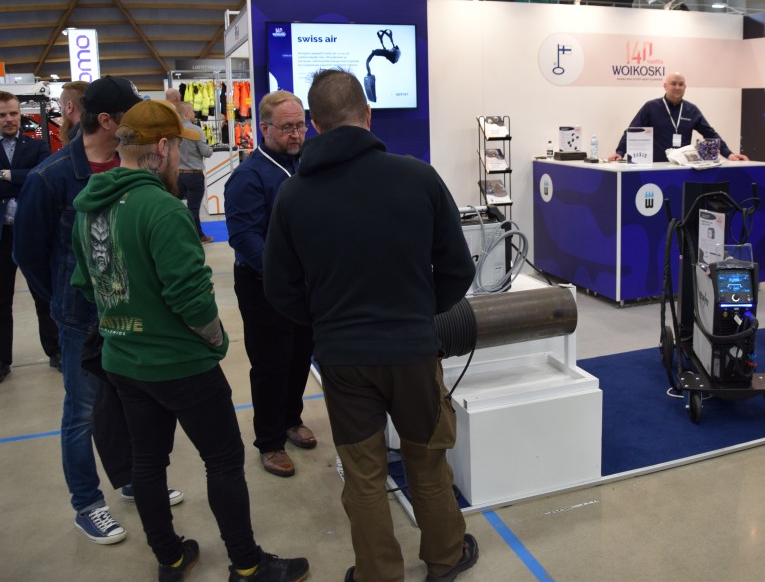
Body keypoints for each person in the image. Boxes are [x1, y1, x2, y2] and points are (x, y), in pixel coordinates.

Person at [70, 98, 309, 582]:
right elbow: (191, 297)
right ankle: (247, 564)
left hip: (123, 358)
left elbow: (86, 283)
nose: (180, 158)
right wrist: (215, 341)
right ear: (162, 147)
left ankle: (171, 558)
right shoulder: (162, 209)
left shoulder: (90, 207)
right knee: (223, 460)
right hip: (180, 363)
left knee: (147, 461)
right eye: (179, 148)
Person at [263, 69, 479, 582]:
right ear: (368, 114)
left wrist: (325, 321)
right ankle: (445, 558)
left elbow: (279, 289)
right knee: (427, 460)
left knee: (363, 474)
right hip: (412, 352)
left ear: (314, 125)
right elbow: (458, 268)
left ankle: (378, 574)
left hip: (343, 358)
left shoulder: (294, 195)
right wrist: (419, 311)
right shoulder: (418, 177)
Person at [13, 76, 182, 545]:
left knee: (133, 403)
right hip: (81, 319)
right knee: (82, 412)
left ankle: (132, 479)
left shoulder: (135, 165)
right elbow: (28, 253)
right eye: (130, 112)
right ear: (106, 120)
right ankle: (87, 504)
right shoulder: (51, 177)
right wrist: (65, 301)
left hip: (132, 313)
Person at [225, 90, 316, 478]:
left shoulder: (305, 166)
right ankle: (269, 441)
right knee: (270, 364)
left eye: (300, 126)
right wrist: (284, 274)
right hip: (263, 285)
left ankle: (291, 419)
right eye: (287, 127)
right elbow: (244, 238)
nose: (296, 134)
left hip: (305, 284)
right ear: (264, 129)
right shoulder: (249, 177)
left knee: (300, 356)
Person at [0, 90, 61, 379]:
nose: (9, 119)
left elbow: (42, 178)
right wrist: (23, 178)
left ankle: (56, 350)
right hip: (2, 235)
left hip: (33, 233)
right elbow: (31, 179)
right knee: (1, 300)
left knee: (44, 295)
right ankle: (2, 360)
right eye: (2, 115)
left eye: (13, 113)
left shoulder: (37, 146)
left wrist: (6, 175)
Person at [609, 72, 749, 163]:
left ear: (685, 87)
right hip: (656, 167)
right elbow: (632, 131)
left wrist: (729, 154)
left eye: (681, 84)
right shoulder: (650, 107)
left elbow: (710, 134)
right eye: (673, 84)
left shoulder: (691, 110)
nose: (677, 87)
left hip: (683, 167)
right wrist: (620, 152)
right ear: (665, 86)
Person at [175, 101, 213, 243]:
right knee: (194, 208)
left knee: (176, 206)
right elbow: (205, 152)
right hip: (194, 175)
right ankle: (198, 236)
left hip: (177, 175)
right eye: (192, 111)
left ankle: (178, 234)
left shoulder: (174, 130)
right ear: (186, 113)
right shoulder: (196, 130)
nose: (194, 114)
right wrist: (210, 149)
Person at [59, 80, 88, 145]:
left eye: (61, 105)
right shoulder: (103, 134)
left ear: (69, 106)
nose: (61, 110)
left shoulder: (75, 145)